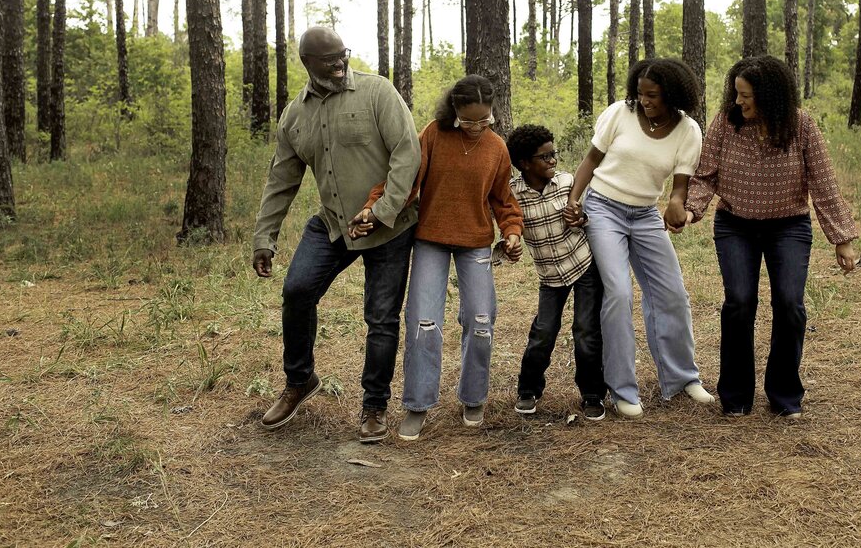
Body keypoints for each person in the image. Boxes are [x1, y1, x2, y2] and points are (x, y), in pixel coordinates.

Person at [251, 27, 421, 443]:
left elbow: (407, 153)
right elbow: (282, 180)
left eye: (342, 54)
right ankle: (300, 380)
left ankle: (374, 405)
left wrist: (382, 212)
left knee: (381, 318)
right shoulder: (295, 116)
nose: (338, 63)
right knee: (297, 290)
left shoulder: (377, 92)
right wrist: (264, 236)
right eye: (328, 59)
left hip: (389, 226)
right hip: (333, 224)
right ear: (307, 63)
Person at [685, 54, 859, 419]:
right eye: (736, 93)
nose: (737, 102)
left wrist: (841, 238)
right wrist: (691, 209)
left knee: (790, 304)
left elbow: (823, 184)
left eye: (745, 95)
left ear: (769, 95)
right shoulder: (726, 124)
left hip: (788, 226)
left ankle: (784, 396)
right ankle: (735, 396)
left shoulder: (801, 126)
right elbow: (705, 175)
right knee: (739, 302)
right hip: (735, 225)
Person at [358, 74, 523, 441]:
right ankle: (417, 404)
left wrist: (512, 233)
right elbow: (404, 179)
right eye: (469, 121)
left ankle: (473, 396)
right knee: (423, 323)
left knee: (481, 322)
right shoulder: (433, 134)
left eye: (485, 120)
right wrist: (374, 207)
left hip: (476, 243)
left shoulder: (497, 148)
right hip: (431, 239)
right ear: (454, 113)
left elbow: (503, 200)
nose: (477, 127)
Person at [564, 58, 717, 418]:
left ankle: (682, 378)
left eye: (653, 96)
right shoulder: (620, 113)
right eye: (640, 94)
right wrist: (574, 199)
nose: (644, 101)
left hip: (646, 214)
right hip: (603, 208)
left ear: (673, 95)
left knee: (672, 293)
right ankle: (622, 390)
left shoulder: (688, 130)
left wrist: (677, 206)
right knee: (618, 292)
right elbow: (590, 161)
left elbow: (679, 188)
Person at [505, 124, 606, 422]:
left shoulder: (566, 183)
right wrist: (508, 244)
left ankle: (592, 393)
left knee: (586, 332)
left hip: (583, 265)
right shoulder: (513, 193)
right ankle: (528, 389)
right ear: (524, 163)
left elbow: (588, 216)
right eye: (544, 157)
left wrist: (581, 218)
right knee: (543, 333)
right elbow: (509, 223)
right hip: (549, 276)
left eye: (554, 154)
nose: (552, 161)